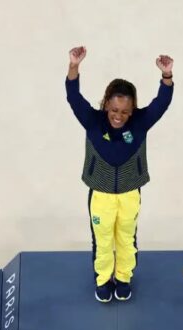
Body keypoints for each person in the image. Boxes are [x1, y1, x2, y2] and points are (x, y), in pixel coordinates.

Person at [65, 45, 174, 303]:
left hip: (129, 193)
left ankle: (123, 278)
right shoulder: (92, 121)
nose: (119, 116)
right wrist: (73, 66)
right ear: (105, 105)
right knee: (103, 242)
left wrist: (167, 76)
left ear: (133, 109)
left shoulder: (140, 122)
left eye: (125, 112)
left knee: (126, 239)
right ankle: (103, 281)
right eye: (114, 110)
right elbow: (73, 97)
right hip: (100, 195)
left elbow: (162, 103)